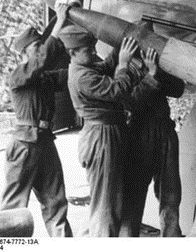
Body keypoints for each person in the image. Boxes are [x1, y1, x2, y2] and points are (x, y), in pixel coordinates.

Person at [58, 24, 143, 237]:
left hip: (107, 133)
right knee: (106, 203)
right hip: (102, 137)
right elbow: (117, 89)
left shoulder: (85, 68)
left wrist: (121, 44)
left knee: (115, 198)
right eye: (89, 50)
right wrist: (124, 63)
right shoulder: (82, 77)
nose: (94, 53)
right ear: (73, 52)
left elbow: (105, 66)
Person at [1, 4, 73, 237]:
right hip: (24, 145)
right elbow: (41, 61)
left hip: (43, 143)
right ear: (23, 54)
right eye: (35, 47)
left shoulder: (44, 79)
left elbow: (76, 74)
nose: (40, 49)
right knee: (13, 209)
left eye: (41, 45)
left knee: (56, 205)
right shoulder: (18, 75)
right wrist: (59, 22)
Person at [119, 47, 185, 237]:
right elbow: (128, 101)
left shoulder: (156, 65)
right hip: (139, 135)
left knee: (171, 195)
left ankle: (171, 237)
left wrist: (157, 71)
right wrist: (151, 75)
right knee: (133, 196)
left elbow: (178, 89)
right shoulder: (124, 68)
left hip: (165, 131)